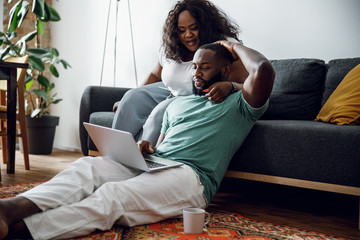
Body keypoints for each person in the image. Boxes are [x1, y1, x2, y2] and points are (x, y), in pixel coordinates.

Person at [0, 42, 274, 239]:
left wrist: (233, 46)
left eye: (205, 67)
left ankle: (23, 232)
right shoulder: (179, 104)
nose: (196, 73)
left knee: (114, 196)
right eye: (194, 68)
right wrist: (145, 146)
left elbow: (263, 70)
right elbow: (164, 142)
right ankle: (10, 209)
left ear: (226, 71)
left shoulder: (241, 105)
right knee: (88, 168)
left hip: (192, 177)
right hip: (156, 162)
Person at [112, 0, 248, 145]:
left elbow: (249, 83)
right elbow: (155, 75)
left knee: (162, 111)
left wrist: (230, 86)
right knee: (132, 97)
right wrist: (125, 100)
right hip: (169, 92)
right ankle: (115, 153)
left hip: (198, 98)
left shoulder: (223, 47)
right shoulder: (172, 46)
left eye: (194, 28)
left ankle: (144, 160)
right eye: (181, 30)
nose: (187, 35)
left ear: (206, 26)